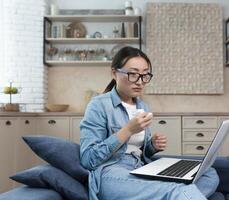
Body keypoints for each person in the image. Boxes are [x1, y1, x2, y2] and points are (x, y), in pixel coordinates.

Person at [80, 46, 219, 200]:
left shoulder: (142, 106)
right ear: (114, 73)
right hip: (112, 172)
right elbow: (88, 159)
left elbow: (140, 151)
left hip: (141, 167)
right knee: (176, 190)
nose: (140, 82)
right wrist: (127, 130)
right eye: (133, 74)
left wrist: (151, 146)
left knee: (208, 173)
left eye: (145, 75)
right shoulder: (98, 105)